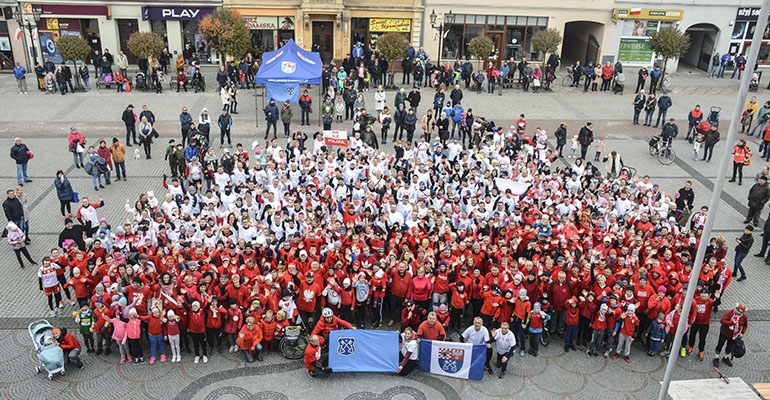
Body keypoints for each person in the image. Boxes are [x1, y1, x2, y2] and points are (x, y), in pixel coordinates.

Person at [713, 303, 748, 368]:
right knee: (720, 345)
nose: (739, 313)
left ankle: (725, 357)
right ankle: (716, 357)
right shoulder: (730, 313)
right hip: (725, 332)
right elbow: (722, 320)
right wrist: (731, 323)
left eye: (741, 312)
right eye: (738, 311)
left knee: (729, 347)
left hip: (734, 335)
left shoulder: (744, 317)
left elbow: (745, 325)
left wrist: (742, 333)